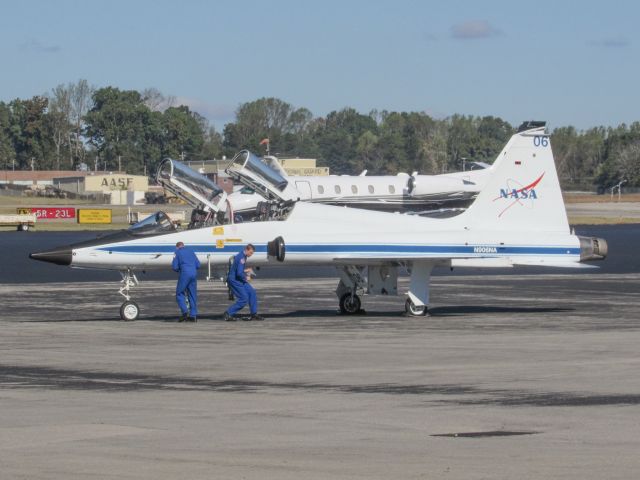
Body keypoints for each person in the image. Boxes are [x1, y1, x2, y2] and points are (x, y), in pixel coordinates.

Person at [224, 244, 264, 321]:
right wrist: (246, 277)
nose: (251, 255)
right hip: (235, 280)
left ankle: (254, 314)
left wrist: (246, 270)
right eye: (251, 252)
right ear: (246, 250)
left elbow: (237, 269)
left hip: (239, 279)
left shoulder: (243, 256)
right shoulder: (241, 257)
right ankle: (228, 313)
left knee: (252, 292)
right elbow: (239, 273)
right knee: (244, 299)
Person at [172, 241, 200, 322]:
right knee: (192, 294)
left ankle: (184, 312)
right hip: (194, 273)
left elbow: (174, 267)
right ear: (183, 246)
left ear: (177, 247)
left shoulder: (177, 252)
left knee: (179, 293)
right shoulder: (191, 251)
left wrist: (180, 269)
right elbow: (198, 264)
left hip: (185, 274)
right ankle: (193, 315)